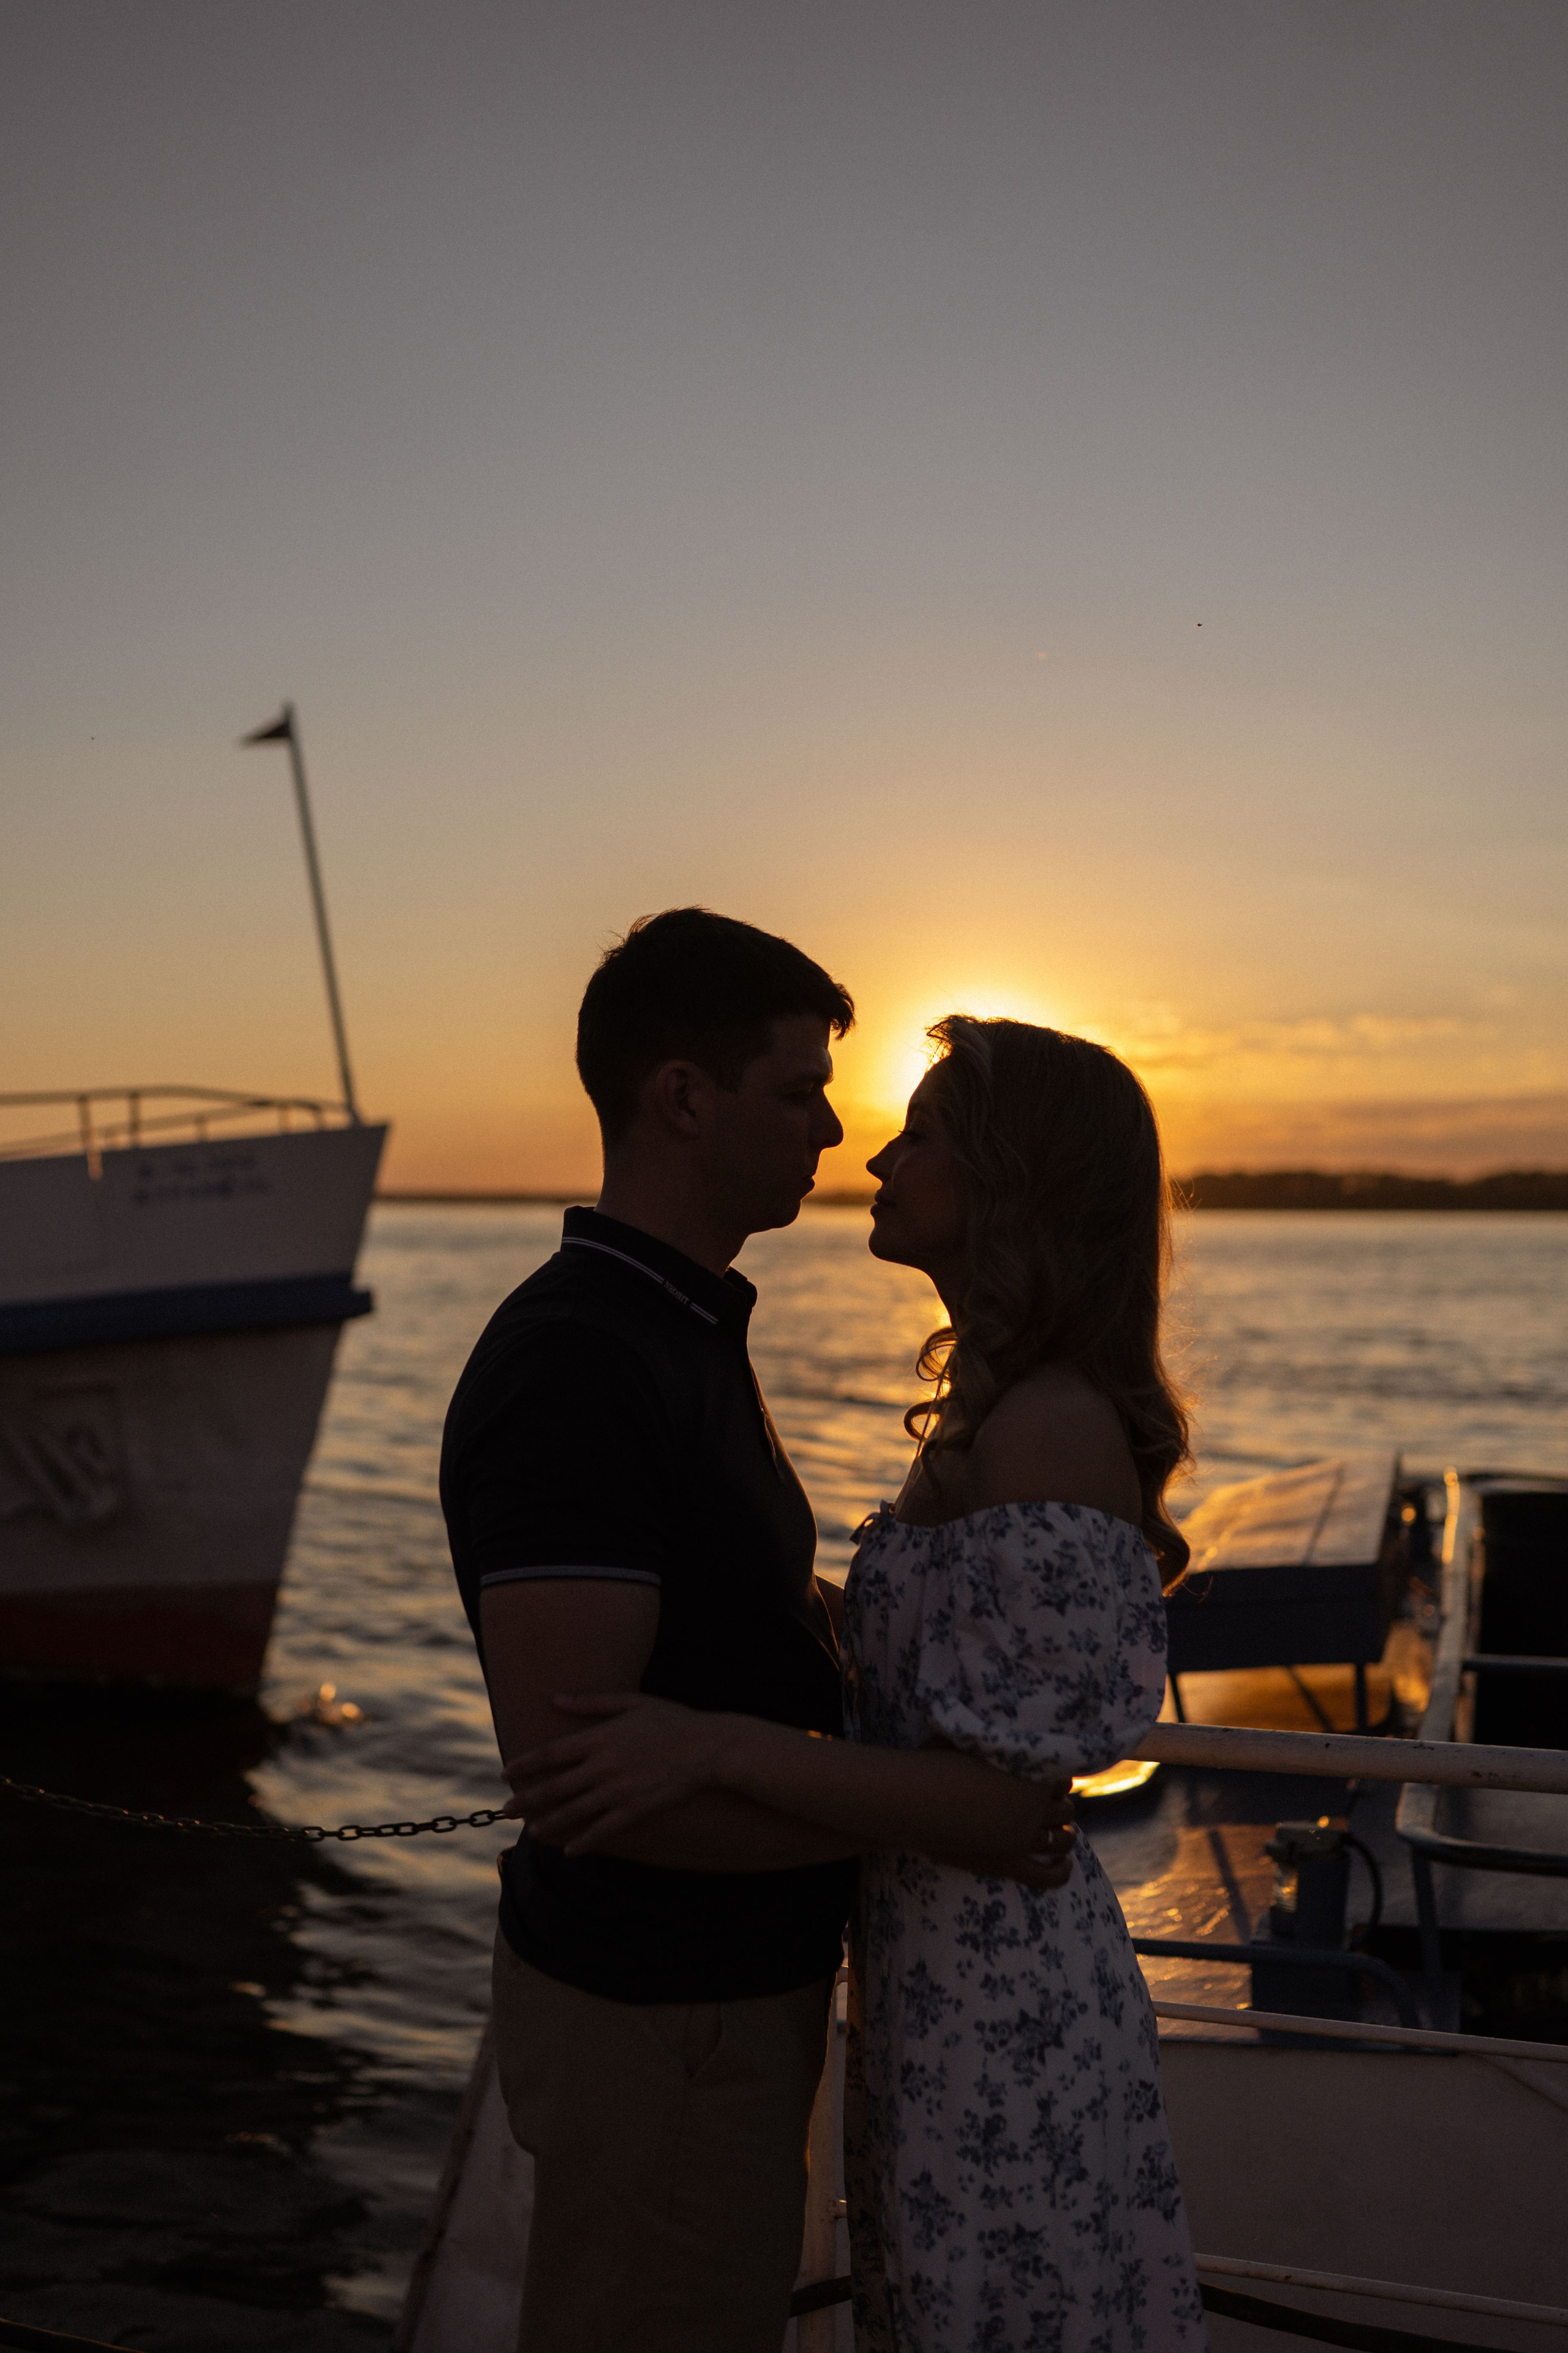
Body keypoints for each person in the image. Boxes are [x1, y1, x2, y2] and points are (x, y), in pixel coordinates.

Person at [512, 1013, 1210, 2352]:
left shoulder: (1049, 1428)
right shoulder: (989, 1411)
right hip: (927, 1979)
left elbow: (1007, 1807)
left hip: (1006, 2007)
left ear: (1016, 1180)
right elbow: (938, 1686)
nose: (876, 1156)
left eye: (925, 1132)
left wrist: (707, 1744)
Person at [440, 913, 1078, 2353]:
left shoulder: (678, 1328)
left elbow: (716, 1628)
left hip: (719, 2007)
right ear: (680, 1096)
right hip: (660, 2019)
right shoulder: (580, 1362)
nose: (831, 1126)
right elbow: (583, 1783)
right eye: (797, 1091)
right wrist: (930, 1824)